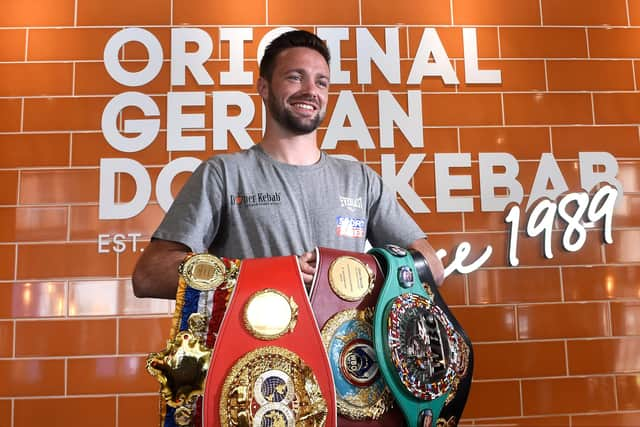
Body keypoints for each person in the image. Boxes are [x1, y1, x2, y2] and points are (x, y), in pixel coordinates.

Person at [132, 30, 444, 299]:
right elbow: (149, 275)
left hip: (348, 363)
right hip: (257, 362)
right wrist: (267, 274)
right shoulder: (224, 174)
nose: (311, 91)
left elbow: (430, 265)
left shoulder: (360, 180)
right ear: (264, 88)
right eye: (295, 77)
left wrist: (354, 273)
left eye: (321, 82)